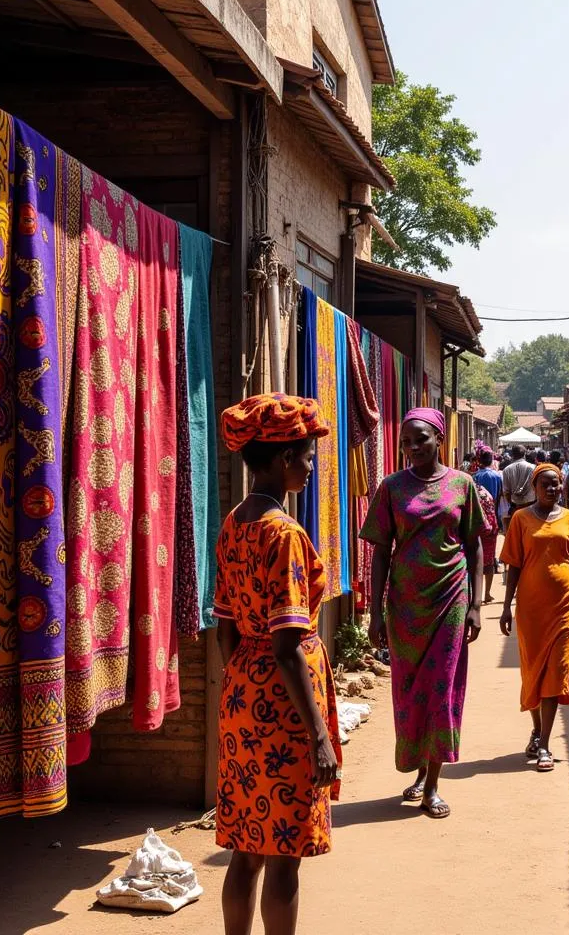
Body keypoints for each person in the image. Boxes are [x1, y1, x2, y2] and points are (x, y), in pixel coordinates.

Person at [212, 393, 341, 935]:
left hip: (244, 693)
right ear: (284, 458)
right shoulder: (283, 534)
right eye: (308, 457)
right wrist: (317, 735)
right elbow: (287, 646)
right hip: (285, 707)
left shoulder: (234, 523)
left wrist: (244, 682)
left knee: (247, 848)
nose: (311, 467)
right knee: (284, 851)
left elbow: (224, 628)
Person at [361, 407, 484, 820]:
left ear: (439, 440)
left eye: (421, 440)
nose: (413, 448)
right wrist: (375, 613)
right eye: (407, 442)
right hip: (405, 607)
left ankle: (432, 783)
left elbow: (475, 546)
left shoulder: (462, 485)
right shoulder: (391, 488)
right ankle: (417, 767)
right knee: (408, 690)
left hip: (451, 598)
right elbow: (380, 551)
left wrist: (476, 606)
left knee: (442, 688)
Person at [499, 464, 569, 772]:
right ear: (535, 486)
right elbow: (513, 565)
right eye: (546, 485)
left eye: (556, 484)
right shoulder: (521, 519)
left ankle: (546, 746)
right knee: (533, 672)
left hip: (564, 605)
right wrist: (505, 606)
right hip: (531, 608)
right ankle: (537, 729)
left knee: (557, 671)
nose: (552, 489)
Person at [475, 481, 500, 605]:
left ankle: (477, 595)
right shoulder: (485, 492)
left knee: (475, 563)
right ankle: (487, 593)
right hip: (491, 530)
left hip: (477, 531)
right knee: (489, 562)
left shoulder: (469, 492)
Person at [502, 444, 536, 533]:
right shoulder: (533, 468)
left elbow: (506, 492)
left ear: (512, 455)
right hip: (531, 507)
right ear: (525, 454)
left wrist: (512, 504)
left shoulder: (506, 470)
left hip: (515, 507)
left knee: (516, 533)